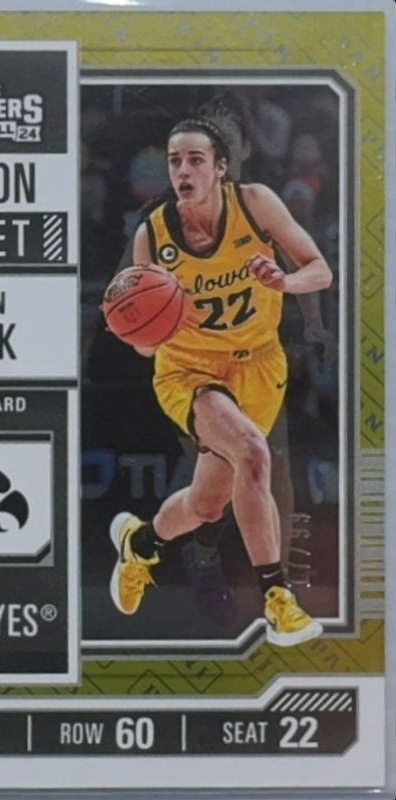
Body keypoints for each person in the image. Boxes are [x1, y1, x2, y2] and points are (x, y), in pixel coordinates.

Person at [106, 117, 333, 647]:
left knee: (208, 504)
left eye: (195, 160)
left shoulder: (255, 204)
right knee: (252, 451)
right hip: (189, 372)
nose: (183, 171)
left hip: (258, 365)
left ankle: (140, 545)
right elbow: (145, 344)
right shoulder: (153, 235)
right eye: (174, 161)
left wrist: (285, 280)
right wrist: (144, 329)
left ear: (220, 168)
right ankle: (278, 600)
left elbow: (320, 270)